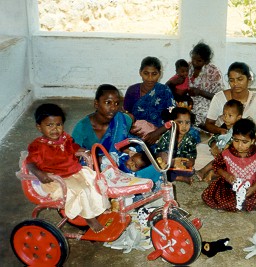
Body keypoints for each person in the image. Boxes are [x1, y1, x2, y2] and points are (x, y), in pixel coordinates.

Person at [26, 103, 109, 233]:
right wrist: (39, 173)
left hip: (73, 172)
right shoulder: (38, 146)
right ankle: (89, 218)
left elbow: (73, 147)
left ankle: (99, 207)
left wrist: (84, 151)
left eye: (58, 125)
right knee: (81, 190)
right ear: (39, 127)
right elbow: (30, 163)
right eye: (49, 125)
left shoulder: (64, 138)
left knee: (95, 180)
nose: (55, 129)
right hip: (56, 179)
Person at [205, 62, 256, 176]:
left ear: (249, 79)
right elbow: (208, 124)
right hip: (224, 141)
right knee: (204, 156)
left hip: (248, 141)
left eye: (240, 79)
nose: (235, 84)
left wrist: (244, 143)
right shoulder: (219, 98)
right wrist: (221, 132)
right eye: (232, 80)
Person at [202, 118, 256, 212]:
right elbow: (217, 166)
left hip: (249, 188)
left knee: (253, 202)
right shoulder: (226, 153)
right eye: (236, 140)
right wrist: (226, 175)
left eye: (244, 142)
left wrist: (253, 189)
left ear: (253, 141)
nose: (239, 145)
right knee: (222, 201)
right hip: (228, 186)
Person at [124, 56, 175, 145]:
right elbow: (126, 115)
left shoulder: (164, 90)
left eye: (154, 74)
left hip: (160, 132)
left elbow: (174, 117)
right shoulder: (132, 90)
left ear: (159, 74)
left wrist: (157, 133)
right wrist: (131, 129)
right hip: (138, 133)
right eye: (146, 73)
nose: (150, 78)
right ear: (140, 73)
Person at [72, 84, 132, 154]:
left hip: (119, 162)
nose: (113, 108)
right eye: (108, 102)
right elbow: (73, 151)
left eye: (116, 103)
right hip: (91, 163)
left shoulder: (122, 120)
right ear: (96, 104)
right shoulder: (82, 127)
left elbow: (131, 118)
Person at [196, 99, 244, 181]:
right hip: (220, 150)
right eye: (224, 114)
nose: (225, 118)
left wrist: (227, 147)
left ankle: (208, 172)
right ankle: (207, 172)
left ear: (238, 118)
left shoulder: (240, 129)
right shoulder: (223, 127)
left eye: (230, 115)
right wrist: (215, 145)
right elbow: (214, 139)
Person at [155, 107, 199, 184]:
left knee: (191, 171)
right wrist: (163, 157)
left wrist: (191, 161)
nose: (184, 126)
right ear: (172, 122)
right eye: (180, 122)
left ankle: (176, 176)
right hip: (167, 165)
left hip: (180, 166)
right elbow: (158, 152)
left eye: (187, 122)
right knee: (158, 170)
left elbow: (192, 154)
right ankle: (179, 178)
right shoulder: (166, 136)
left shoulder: (190, 139)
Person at [188, 41, 224, 127]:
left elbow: (219, 97)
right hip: (188, 102)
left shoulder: (214, 72)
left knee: (203, 116)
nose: (195, 62)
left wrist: (200, 92)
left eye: (199, 61)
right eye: (193, 59)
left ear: (206, 61)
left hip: (207, 104)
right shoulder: (187, 67)